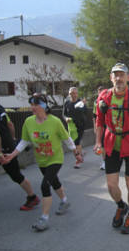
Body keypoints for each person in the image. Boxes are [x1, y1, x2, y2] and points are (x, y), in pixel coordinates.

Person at [5, 94, 82, 231]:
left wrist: (76, 153)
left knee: (45, 185)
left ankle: (44, 219)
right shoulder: (28, 122)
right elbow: (24, 141)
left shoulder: (55, 121)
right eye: (31, 104)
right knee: (54, 182)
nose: (32, 107)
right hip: (41, 160)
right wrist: (12, 155)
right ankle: (64, 201)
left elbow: (66, 138)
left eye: (36, 104)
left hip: (55, 159)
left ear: (44, 106)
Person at [94, 63, 129, 235]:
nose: (118, 78)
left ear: (128, 77)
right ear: (111, 78)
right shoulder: (104, 96)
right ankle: (120, 205)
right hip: (111, 144)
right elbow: (99, 122)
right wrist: (98, 143)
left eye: (122, 74)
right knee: (111, 185)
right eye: (115, 75)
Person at [0, 103, 40, 211]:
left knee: (15, 174)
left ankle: (32, 197)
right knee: (16, 174)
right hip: (8, 145)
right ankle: (32, 197)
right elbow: (10, 124)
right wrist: (13, 139)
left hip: (0, 149)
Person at [63, 86, 87, 168]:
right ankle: (81, 152)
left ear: (77, 94)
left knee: (76, 142)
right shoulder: (66, 103)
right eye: (71, 93)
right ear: (69, 94)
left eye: (74, 93)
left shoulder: (81, 102)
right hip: (71, 126)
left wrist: (82, 105)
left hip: (80, 125)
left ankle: (78, 160)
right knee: (75, 142)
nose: (73, 95)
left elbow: (85, 112)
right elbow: (64, 114)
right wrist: (66, 118)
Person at [93, 86, 106, 170]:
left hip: (110, 126)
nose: (101, 93)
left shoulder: (108, 100)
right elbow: (94, 116)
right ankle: (104, 161)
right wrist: (95, 127)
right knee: (102, 145)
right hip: (101, 126)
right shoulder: (95, 102)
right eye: (99, 92)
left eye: (102, 91)